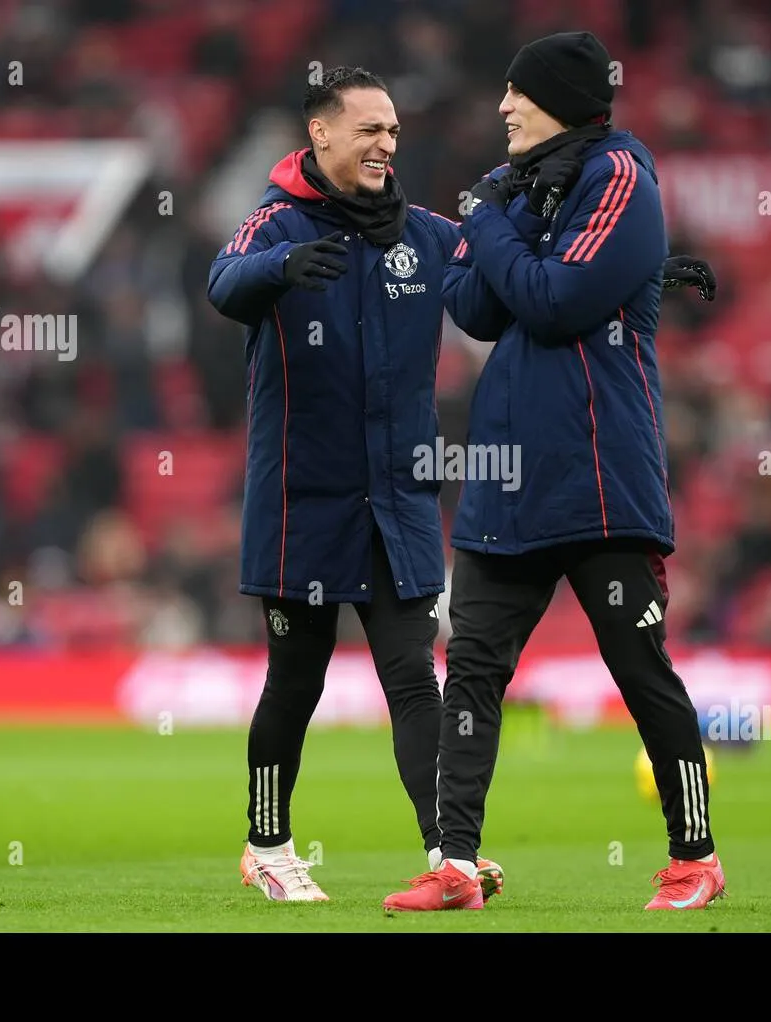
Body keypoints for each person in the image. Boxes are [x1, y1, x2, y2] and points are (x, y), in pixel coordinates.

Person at [382, 31, 725, 913]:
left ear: (563, 100)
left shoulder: (619, 178)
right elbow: (475, 307)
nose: (501, 108)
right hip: (508, 476)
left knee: (639, 668)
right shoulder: (530, 187)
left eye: (517, 94)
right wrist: (506, 221)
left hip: (601, 474)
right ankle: (456, 863)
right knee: (474, 670)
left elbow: (552, 300)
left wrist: (490, 219)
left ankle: (697, 861)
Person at [207, 66, 503, 903]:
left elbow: (516, 282)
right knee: (295, 678)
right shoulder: (273, 223)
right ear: (321, 134)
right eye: (369, 129)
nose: (385, 144)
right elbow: (223, 284)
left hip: (399, 499)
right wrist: (281, 269)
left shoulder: (427, 233)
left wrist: (631, 284)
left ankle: (450, 853)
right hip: (303, 500)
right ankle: (267, 844)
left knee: (415, 676)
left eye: (394, 131)